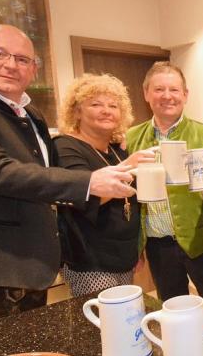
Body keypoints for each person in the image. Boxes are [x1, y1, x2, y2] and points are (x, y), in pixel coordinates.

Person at [0, 24, 134, 330]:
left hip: (32, 265)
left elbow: (41, 177)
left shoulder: (30, 114)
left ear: (33, 69)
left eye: (22, 59)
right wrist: (88, 183)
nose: (10, 65)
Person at [127, 62, 203, 331]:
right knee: (173, 316)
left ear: (185, 94)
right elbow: (127, 199)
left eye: (174, 89)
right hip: (158, 244)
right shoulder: (129, 138)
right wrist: (135, 245)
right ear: (146, 94)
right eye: (159, 89)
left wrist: (201, 181)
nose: (167, 96)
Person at [55, 74, 155, 297]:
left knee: (121, 321)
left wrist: (136, 250)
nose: (106, 110)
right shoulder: (65, 147)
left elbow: (130, 203)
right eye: (96, 104)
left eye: (113, 105)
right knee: (100, 326)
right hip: (91, 260)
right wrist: (129, 166)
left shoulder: (117, 150)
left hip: (123, 256)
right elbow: (83, 197)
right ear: (77, 111)